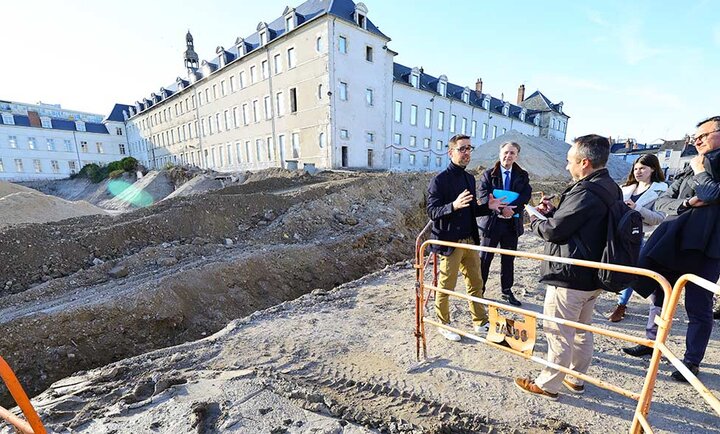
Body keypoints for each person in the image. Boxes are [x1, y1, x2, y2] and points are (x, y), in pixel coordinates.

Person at [514, 134, 617, 400]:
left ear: (585, 162)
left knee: (558, 332)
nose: (566, 166)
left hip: (570, 275)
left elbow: (555, 231)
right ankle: (575, 378)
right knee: (582, 331)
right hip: (593, 274)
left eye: (569, 161)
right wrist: (553, 212)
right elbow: (578, 222)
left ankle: (548, 384)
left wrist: (536, 219)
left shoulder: (585, 190)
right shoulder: (610, 187)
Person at [623, 116, 720, 382]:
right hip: (674, 243)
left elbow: (711, 194)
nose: (697, 140)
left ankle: (691, 361)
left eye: (703, 135)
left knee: (698, 308)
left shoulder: (698, 166)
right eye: (695, 136)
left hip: (707, 250)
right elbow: (664, 201)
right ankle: (652, 342)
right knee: (660, 297)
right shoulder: (689, 168)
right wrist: (688, 201)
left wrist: (701, 170)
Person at [427, 134, 509, 342]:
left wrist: (488, 207)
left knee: (476, 282)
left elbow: (472, 210)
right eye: (462, 149)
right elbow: (432, 211)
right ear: (450, 152)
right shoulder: (439, 180)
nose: (466, 153)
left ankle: (480, 323)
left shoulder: (469, 178)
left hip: (470, 240)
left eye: (469, 149)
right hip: (449, 243)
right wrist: (452, 206)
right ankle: (442, 323)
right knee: (446, 285)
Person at [607, 155, 668, 322]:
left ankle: (623, 305)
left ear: (653, 169)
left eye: (643, 168)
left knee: (634, 271)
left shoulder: (662, 190)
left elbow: (659, 218)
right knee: (621, 269)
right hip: (623, 235)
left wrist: (637, 208)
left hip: (644, 237)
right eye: (636, 168)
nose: (638, 172)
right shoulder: (626, 188)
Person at [478, 141, 532, 307]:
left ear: (517, 156)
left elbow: (525, 195)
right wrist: (501, 210)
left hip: (511, 225)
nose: (508, 156)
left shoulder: (522, 175)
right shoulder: (488, 174)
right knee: (485, 259)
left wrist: (512, 210)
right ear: (500, 153)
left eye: (512, 153)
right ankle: (479, 290)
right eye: (506, 152)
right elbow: (483, 195)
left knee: (508, 259)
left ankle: (506, 290)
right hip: (492, 223)